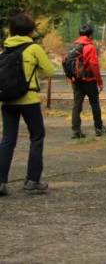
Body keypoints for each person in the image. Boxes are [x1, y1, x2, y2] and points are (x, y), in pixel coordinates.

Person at [0, 14, 54, 196]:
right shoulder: (34, 48)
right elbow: (49, 71)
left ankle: (1, 182)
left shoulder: (5, 48)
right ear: (30, 30)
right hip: (29, 99)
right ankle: (32, 180)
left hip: (7, 99)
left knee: (8, 140)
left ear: (12, 30)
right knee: (37, 136)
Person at [68, 24, 106, 139]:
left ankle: (76, 131)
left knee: (77, 105)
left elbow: (67, 62)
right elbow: (94, 65)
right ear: (90, 35)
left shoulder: (74, 45)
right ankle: (98, 128)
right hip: (89, 80)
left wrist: (70, 77)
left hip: (76, 80)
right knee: (95, 104)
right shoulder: (90, 47)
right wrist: (99, 82)